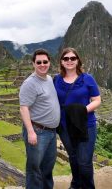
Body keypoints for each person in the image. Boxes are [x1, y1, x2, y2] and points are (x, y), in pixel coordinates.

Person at [54, 47, 101, 189]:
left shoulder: (87, 79)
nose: (69, 61)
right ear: (61, 61)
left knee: (84, 161)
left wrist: (81, 111)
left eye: (72, 58)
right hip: (64, 126)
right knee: (73, 158)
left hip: (85, 125)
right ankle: (76, 184)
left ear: (78, 60)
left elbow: (97, 100)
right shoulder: (56, 80)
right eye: (66, 58)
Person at [19, 48, 60, 189]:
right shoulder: (30, 83)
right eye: (39, 62)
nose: (42, 65)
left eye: (45, 62)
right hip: (38, 132)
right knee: (34, 169)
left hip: (51, 132)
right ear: (33, 64)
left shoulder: (49, 79)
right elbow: (24, 108)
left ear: (49, 62)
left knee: (48, 168)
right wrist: (30, 131)